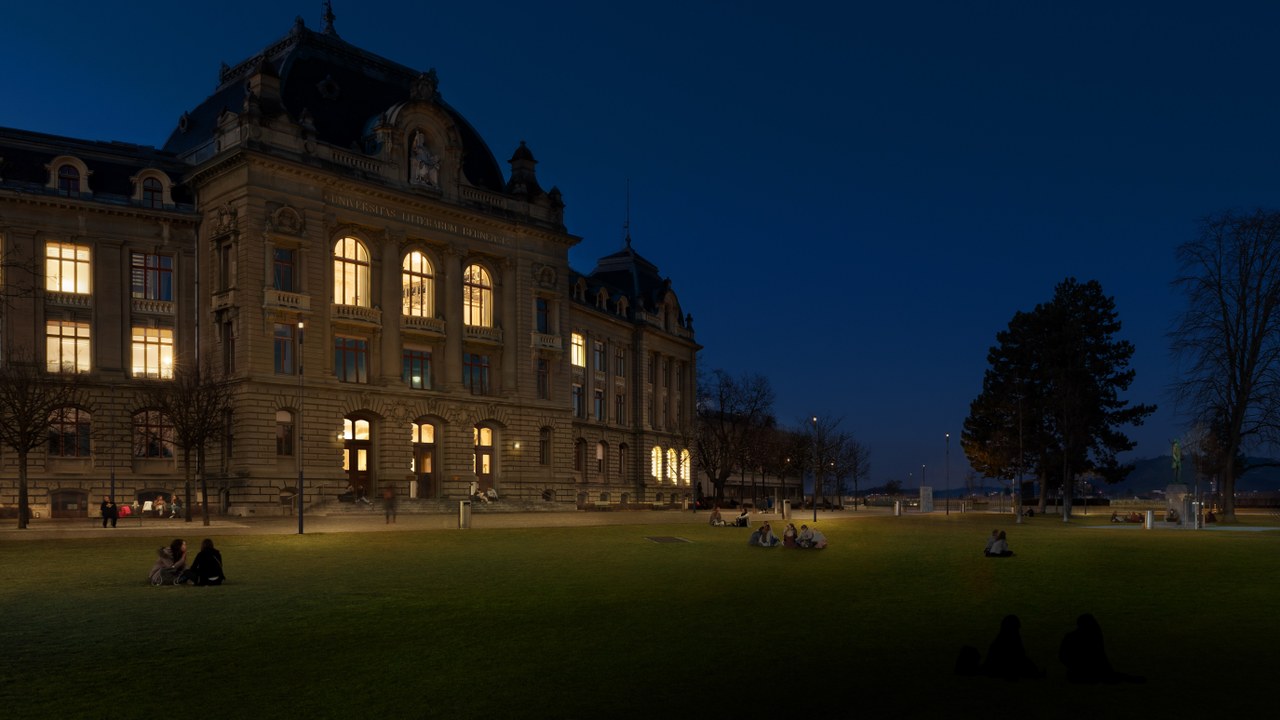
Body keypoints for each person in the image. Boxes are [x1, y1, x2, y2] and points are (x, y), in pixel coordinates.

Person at [1059, 613, 1144, 684]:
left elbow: (1063, 656)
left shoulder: (1073, 637)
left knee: (1114, 677)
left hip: (1079, 673)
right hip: (1081, 674)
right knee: (1114, 677)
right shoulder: (1086, 637)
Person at [982, 614, 1042, 681]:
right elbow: (1017, 656)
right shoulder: (1005, 641)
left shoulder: (1005, 639)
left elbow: (1020, 654)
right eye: (1016, 627)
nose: (1018, 629)